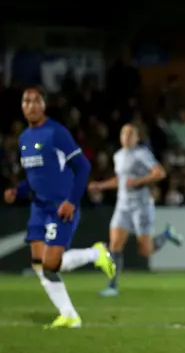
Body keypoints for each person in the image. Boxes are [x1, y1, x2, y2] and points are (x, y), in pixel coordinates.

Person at [3, 87, 116, 329]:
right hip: (39, 207)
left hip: (60, 207)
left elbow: (83, 166)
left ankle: (96, 253)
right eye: (26, 101)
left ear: (43, 105)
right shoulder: (24, 139)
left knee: (51, 264)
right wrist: (18, 191)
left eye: (36, 101)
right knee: (39, 263)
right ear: (22, 106)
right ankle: (69, 315)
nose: (31, 105)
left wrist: (71, 201)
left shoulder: (56, 132)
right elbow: (35, 178)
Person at [89, 124, 183, 297]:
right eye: (124, 133)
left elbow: (160, 172)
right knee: (114, 245)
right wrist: (101, 186)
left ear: (137, 138)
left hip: (141, 206)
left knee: (145, 250)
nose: (126, 136)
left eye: (130, 134)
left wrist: (139, 181)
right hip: (123, 205)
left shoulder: (142, 154)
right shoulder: (118, 156)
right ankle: (112, 286)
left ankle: (166, 235)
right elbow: (121, 179)